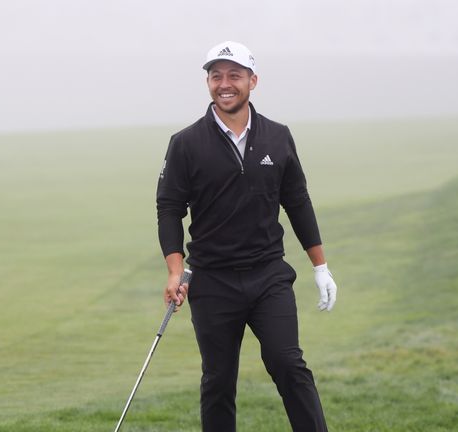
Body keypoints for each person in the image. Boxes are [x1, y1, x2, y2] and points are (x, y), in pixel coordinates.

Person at [156, 40, 337, 432]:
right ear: (208, 82)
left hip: (267, 274)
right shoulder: (186, 143)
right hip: (212, 279)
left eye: (234, 75)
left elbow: (298, 202)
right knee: (218, 380)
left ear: (252, 81)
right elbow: (169, 209)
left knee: (288, 363)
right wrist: (175, 270)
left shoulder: (277, 136)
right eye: (215, 75)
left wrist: (320, 266)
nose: (225, 83)